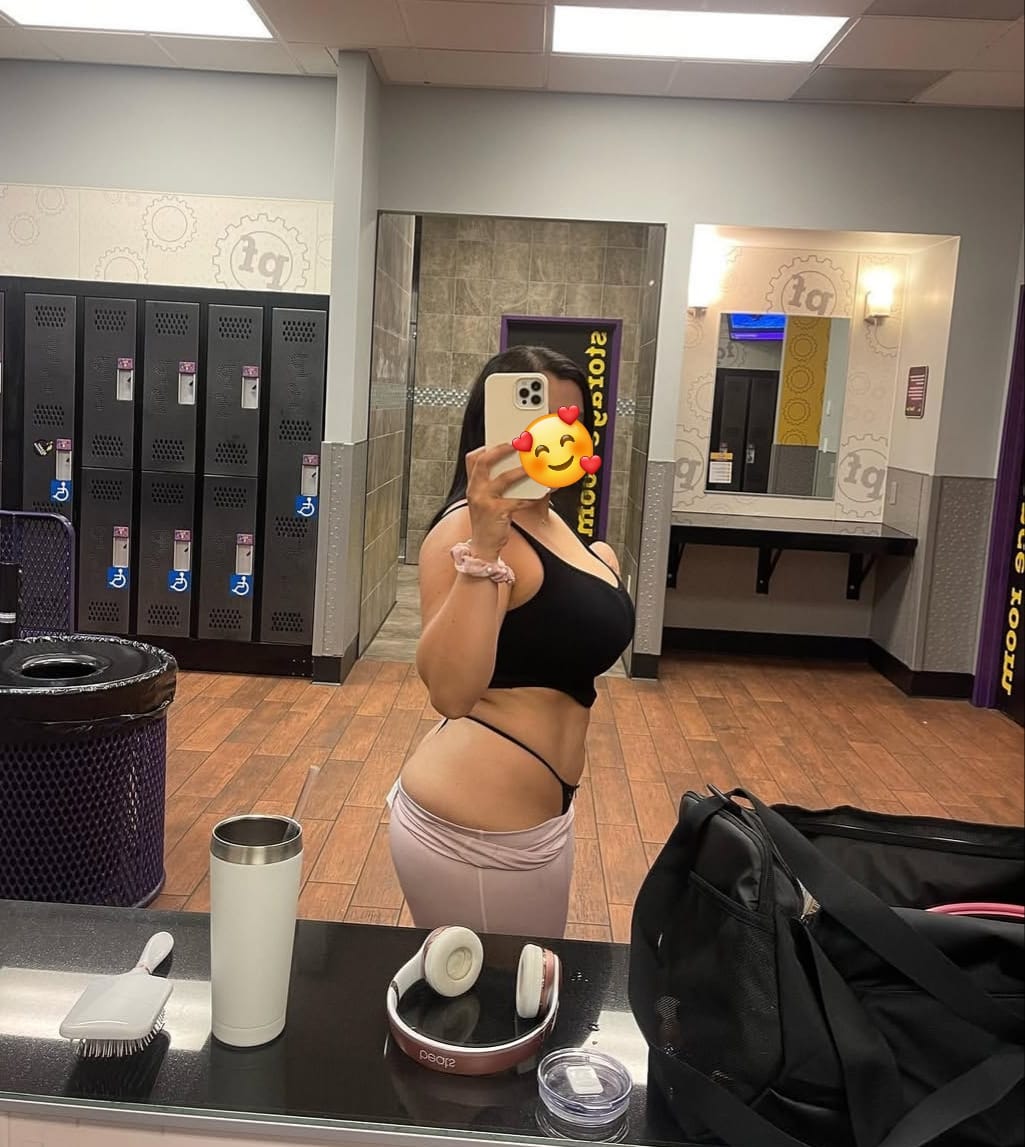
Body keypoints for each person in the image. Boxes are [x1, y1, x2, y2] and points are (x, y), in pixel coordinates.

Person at [388, 345, 636, 938]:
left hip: (538, 819)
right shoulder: (463, 532)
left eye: (572, 424)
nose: (556, 442)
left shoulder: (557, 524)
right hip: (471, 831)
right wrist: (485, 545)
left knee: (530, 981)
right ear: (496, 426)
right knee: (490, 994)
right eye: (540, 423)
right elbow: (450, 692)